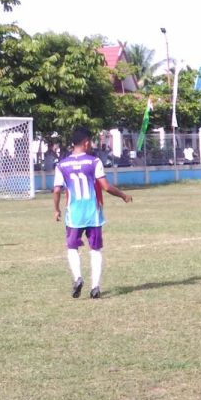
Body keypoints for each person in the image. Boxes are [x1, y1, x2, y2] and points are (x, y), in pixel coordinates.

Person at [53, 126, 133, 299]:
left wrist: (56, 209)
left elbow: (57, 190)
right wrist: (123, 195)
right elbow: (106, 187)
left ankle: (78, 277)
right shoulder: (93, 161)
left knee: (72, 247)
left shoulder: (62, 165)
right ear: (87, 142)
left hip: (74, 214)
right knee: (95, 249)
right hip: (93, 213)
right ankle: (95, 286)